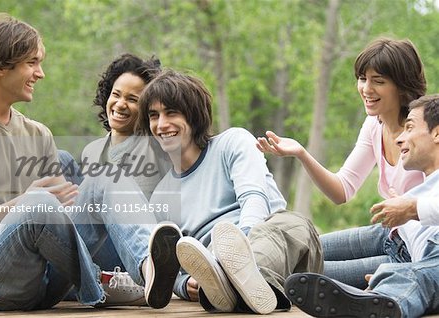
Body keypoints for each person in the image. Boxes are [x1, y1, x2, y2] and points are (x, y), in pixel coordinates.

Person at [0, 13, 180, 311]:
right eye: (32, 63)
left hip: (45, 281)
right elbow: (34, 207)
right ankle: (99, 283)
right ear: (0, 66)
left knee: (108, 176)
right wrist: (22, 204)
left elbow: (63, 223)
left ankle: (148, 269)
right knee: (38, 203)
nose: (41, 73)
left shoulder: (38, 134)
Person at [137, 69, 323, 314]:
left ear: (193, 115)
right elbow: (174, 267)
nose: (161, 124)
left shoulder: (232, 143)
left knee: (292, 222)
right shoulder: (162, 196)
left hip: (280, 254)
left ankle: (236, 281)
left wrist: (236, 254)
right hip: (213, 274)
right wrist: (185, 285)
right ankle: (238, 289)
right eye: (154, 116)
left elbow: (254, 200)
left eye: (171, 112)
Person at [257, 37, 426, 289]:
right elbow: (342, 190)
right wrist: (301, 154)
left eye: (378, 81)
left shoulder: (425, 133)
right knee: (301, 247)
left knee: (301, 271)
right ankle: (227, 268)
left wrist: (411, 206)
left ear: (402, 86)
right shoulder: (374, 125)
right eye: (362, 78)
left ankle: (235, 282)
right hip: (387, 233)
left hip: (414, 251)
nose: (366, 89)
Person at [285, 94, 439, 318]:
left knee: (412, 276)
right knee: (300, 251)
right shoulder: (425, 188)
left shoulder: (418, 200)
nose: (399, 138)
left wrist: (412, 209)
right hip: (406, 251)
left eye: (410, 127)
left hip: (417, 264)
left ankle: (376, 302)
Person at [79, 53, 170, 272]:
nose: (120, 104)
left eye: (132, 99)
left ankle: (151, 270)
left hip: (138, 245)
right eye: (116, 94)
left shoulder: (156, 145)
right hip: (97, 246)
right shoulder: (91, 152)